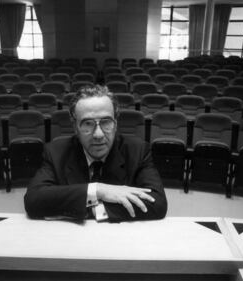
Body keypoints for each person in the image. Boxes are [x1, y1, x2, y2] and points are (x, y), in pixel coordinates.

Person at [24, 85, 167, 222]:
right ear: (75, 127)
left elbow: (157, 203)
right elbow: (33, 200)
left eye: (106, 122)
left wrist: (92, 211)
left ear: (115, 124)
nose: (98, 134)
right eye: (87, 124)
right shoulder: (55, 152)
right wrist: (97, 190)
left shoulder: (138, 151)